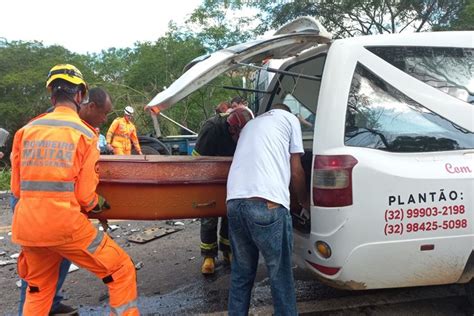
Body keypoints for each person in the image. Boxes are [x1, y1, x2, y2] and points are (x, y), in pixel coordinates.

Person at [10, 64, 138, 315]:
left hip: (28, 228)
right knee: (121, 270)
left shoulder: (26, 131)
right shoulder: (84, 134)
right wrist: (101, 205)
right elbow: (85, 197)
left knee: (38, 290)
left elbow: (16, 189)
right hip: (64, 226)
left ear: (52, 95)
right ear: (80, 96)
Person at [226, 103, 310, 315]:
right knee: (280, 274)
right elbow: (297, 171)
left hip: (234, 202)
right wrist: (305, 203)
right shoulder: (290, 120)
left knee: (241, 273)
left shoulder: (252, 125)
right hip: (266, 202)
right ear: (288, 112)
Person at [192, 107, 254, 275]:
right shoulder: (212, 129)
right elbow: (197, 160)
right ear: (231, 128)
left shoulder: (247, 131)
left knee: (230, 215)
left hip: (233, 177)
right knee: (209, 216)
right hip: (209, 178)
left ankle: (228, 251)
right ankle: (208, 256)